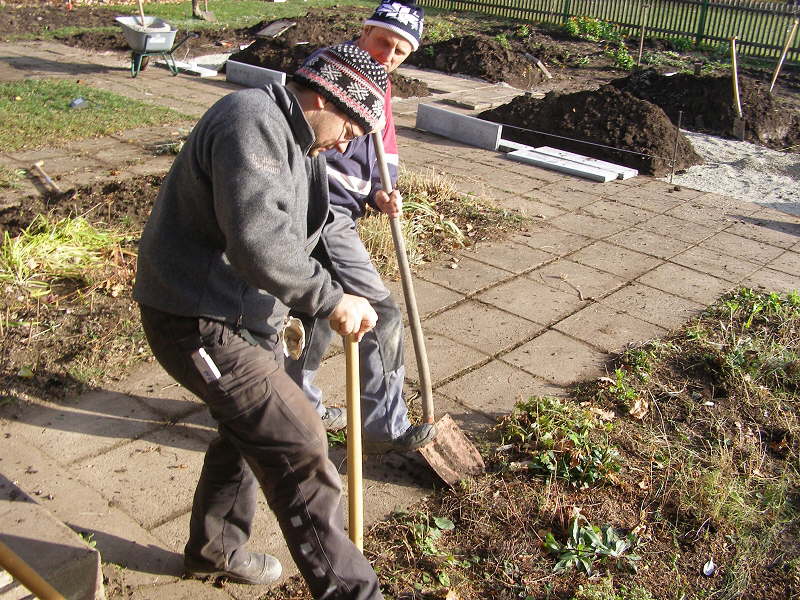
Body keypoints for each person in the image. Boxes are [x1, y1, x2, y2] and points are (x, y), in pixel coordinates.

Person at [133, 43, 389, 599]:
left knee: (247, 434)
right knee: (297, 443)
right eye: (353, 125)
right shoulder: (251, 120)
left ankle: (214, 550)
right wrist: (329, 298)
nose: (351, 142)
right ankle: (354, 593)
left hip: (244, 316)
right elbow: (258, 242)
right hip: (196, 318)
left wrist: (341, 285)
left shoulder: (301, 141)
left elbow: (304, 230)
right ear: (323, 96)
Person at [286, 0, 432, 455]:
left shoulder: (380, 84)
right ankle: (385, 425)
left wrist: (379, 194)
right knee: (381, 314)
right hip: (323, 209)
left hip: (343, 208)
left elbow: (377, 154)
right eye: (383, 42)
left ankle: (296, 407)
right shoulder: (336, 70)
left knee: (317, 314)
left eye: (401, 52)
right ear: (364, 30)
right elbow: (312, 139)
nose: (388, 55)